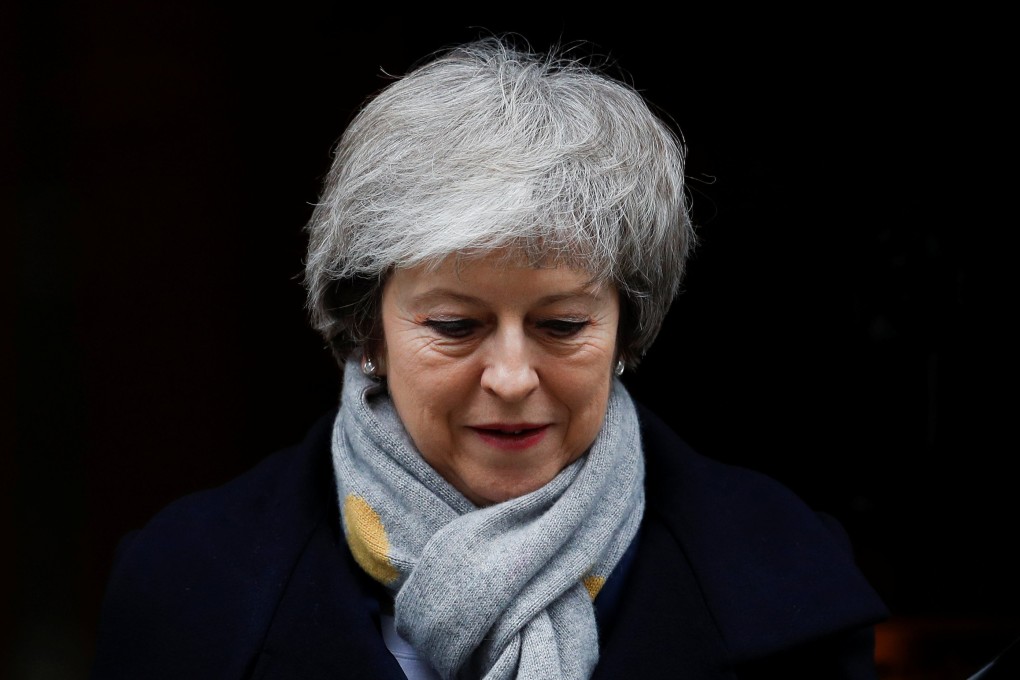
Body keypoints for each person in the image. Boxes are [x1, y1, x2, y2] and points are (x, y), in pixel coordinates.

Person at [90, 35, 889, 679]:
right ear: (368, 330)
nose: (511, 378)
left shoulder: (789, 579)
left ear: (626, 326)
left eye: (562, 325)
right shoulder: (185, 587)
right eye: (455, 325)